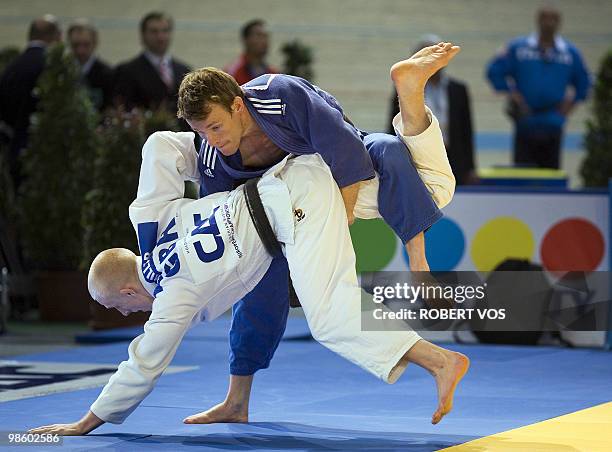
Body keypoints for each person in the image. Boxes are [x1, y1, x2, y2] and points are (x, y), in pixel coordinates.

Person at [28, 128, 469, 436]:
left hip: (295, 205)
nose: (126, 314)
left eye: (119, 307)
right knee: (418, 188)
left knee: (331, 317)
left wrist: (85, 422)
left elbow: (143, 364)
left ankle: (440, 362)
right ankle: (406, 142)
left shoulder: (171, 297)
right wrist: (151, 229)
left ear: (127, 291)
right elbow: (160, 145)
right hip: (292, 181)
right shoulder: (156, 222)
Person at [173, 43, 457, 424]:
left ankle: (420, 266)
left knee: (394, 155)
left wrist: (338, 229)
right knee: (255, 290)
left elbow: (349, 154)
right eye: (201, 132)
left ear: (238, 104)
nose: (212, 139)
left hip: (341, 180)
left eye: (215, 126)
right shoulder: (214, 161)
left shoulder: (281, 96)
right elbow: (230, 227)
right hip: (281, 216)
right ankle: (236, 401)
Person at [486, 4, 591, 169]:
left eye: (553, 19)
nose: (549, 23)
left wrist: (570, 105)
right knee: (523, 171)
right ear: (538, 20)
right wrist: (512, 94)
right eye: (545, 18)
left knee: (551, 172)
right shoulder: (518, 48)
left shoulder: (570, 53)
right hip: (525, 119)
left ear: (559, 22)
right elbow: (494, 71)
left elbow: (584, 83)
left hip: (553, 121)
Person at [389, 35, 477, 185]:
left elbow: (466, 130)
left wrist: (471, 167)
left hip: (453, 155)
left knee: (451, 199)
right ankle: (412, 75)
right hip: (417, 155)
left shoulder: (458, 90)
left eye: (435, 56)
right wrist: (391, 162)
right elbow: (393, 125)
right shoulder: (403, 88)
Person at [0, 15, 61, 188]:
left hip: (13, 148)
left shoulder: (12, 67)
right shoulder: (52, 67)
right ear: (56, 37)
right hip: (44, 152)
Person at [112, 11, 191, 117]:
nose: (160, 37)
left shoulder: (184, 70)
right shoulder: (126, 71)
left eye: (165, 31)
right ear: (143, 35)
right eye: (154, 31)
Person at [67, 19, 113, 112]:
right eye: (76, 45)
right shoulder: (61, 71)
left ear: (95, 43)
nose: (81, 51)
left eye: (86, 45)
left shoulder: (108, 73)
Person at [224, 19, 278, 85]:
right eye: (259, 35)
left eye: (265, 36)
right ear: (246, 40)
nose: (264, 41)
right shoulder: (232, 73)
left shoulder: (273, 74)